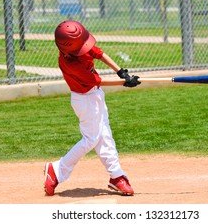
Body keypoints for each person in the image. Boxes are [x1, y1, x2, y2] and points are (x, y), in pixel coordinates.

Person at [44, 20, 141, 196]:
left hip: (95, 95)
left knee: (105, 135)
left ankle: (116, 176)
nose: (85, 47)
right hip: (84, 99)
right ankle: (57, 170)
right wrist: (126, 83)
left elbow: (99, 53)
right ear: (70, 48)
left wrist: (122, 72)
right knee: (91, 139)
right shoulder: (70, 63)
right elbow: (98, 80)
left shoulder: (79, 45)